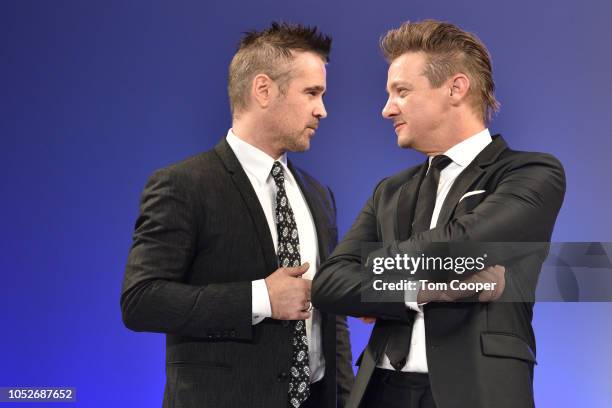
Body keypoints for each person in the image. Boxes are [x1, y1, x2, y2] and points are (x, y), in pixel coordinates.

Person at [312, 20, 565, 408]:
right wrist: (419, 291)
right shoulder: (389, 190)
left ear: (456, 88)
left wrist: (370, 270)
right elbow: (329, 284)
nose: (386, 109)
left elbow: (460, 246)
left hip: (476, 392)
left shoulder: (531, 173)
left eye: (401, 91)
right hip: (378, 392)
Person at [121, 22, 353, 408]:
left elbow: (332, 318)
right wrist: (260, 297)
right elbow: (142, 300)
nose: (322, 110)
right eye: (312, 93)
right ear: (263, 90)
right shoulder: (183, 185)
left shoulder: (318, 194)